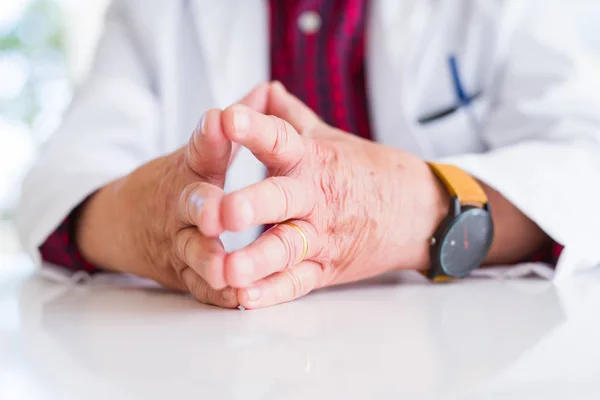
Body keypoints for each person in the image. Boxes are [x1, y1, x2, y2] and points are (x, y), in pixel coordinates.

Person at [17, 0, 600, 309]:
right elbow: (56, 189)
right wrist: (147, 222)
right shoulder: (157, 11)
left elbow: (586, 161)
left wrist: (411, 208)